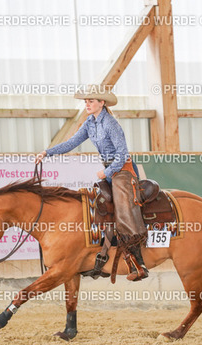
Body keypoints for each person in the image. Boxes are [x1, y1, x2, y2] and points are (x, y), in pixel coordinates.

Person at [36, 85, 148, 281]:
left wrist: (107, 172)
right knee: (98, 205)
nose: (87, 104)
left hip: (123, 170)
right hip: (109, 171)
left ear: (101, 103)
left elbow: (122, 154)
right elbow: (71, 143)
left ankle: (139, 264)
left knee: (123, 209)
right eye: (86, 101)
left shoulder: (111, 124)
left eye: (91, 101)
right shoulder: (90, 123)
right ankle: (103, 250)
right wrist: (47, 152)